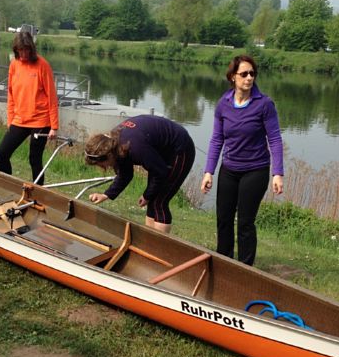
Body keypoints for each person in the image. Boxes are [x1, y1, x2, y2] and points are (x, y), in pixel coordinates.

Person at [201, 54, 284, 266]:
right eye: (244, 74)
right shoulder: (223, 104)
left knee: (245, 223)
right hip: (229, 169)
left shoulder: (264, 104)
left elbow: (274, 139)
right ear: (232, 77)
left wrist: (277, 173)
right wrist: (209, 171)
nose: (249, 78)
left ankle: (245, 268)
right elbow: (217, 139)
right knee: (223, 219)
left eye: (252, 74)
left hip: (255, 170)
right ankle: (223, 262)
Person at [84, 115, 195, 233]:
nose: (104, 167)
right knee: (153, 200)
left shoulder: (135, 147)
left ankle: (159, 247)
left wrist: (147, 195)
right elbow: (125, 175)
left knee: (159, 202)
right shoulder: (115, 146)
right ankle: (149, 241)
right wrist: (106, 195)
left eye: (102, 164)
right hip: (159, 151)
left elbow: (160, 172)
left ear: (109, 155)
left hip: (179, 149)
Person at [0, 31, 58, 185]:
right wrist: (10, 119)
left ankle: (38, 193)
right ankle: (8, 185)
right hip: (19, 119)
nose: (23, 53)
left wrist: (54, 126)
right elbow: (10, 94)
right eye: (19, 50)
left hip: (41, 121)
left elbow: (52, 97)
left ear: (32, 49)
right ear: (15, 50)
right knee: (2, 153)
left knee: (34, 158)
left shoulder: (42, 65)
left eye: (26, 50)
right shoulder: (14, 65)